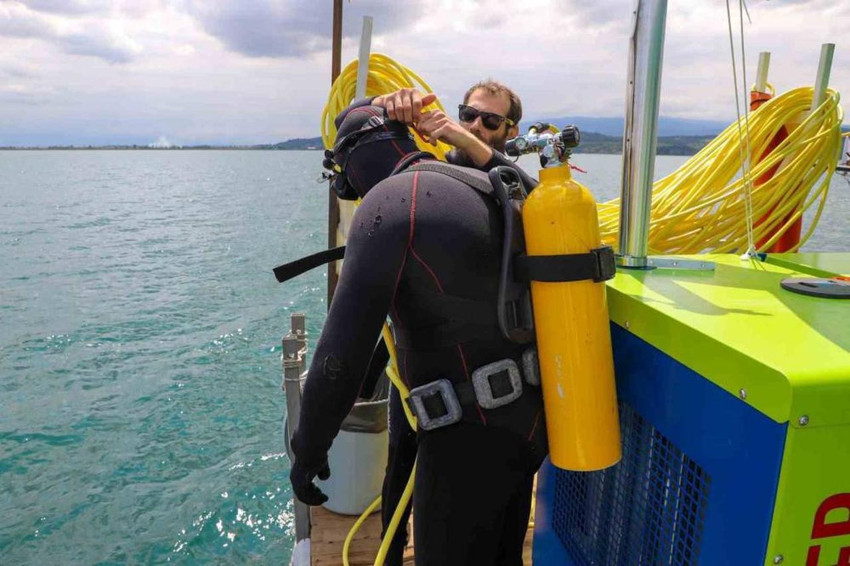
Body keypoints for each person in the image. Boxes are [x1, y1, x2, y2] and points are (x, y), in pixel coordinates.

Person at [289, 103, 547, 565]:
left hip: (467, 440)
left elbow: (338, 357)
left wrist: (308, 449)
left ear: (349, 163)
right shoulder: (484, 183)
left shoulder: (390, 202)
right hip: (527, 421)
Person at [371, 80, 535, 564]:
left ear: (511, 130)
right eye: (468, 114)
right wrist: (382, 104)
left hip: (485, 376)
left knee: (504, 489)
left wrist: (465, 141)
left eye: (490, 120)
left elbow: (529, 192)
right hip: (417, 361)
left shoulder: (511, 189)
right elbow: (359, 129)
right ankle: (388, 549)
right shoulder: (430, 174)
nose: (475, 124)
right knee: (400, 460)